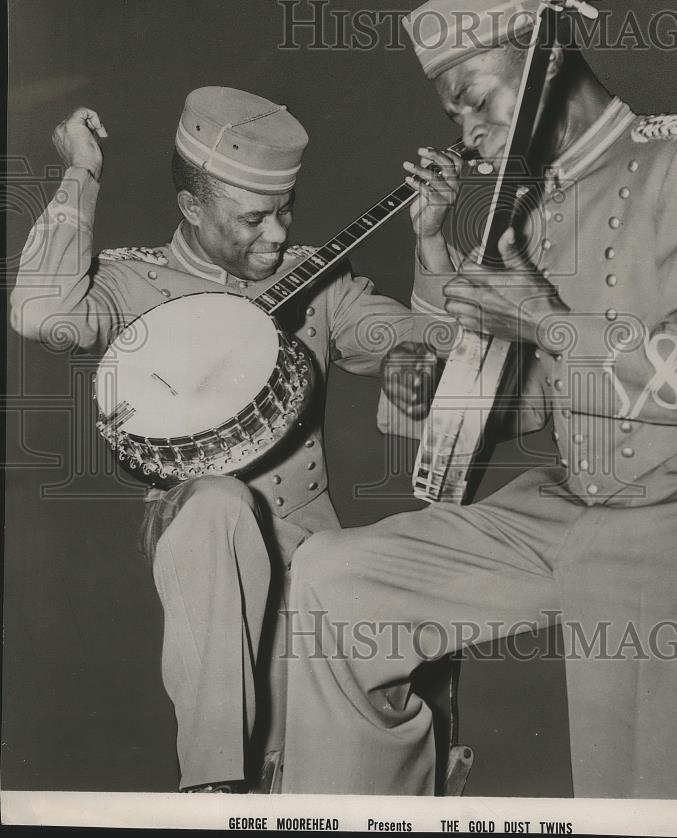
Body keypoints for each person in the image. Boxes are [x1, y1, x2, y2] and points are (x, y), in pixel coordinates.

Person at [280, 0, 677, 798]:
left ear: (543, 57)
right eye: (453, 110)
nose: (464, 129)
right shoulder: (530, 210)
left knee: (645, 798)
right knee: (336, 581)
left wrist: (540, 318)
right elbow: (540, 397)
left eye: (473, 96)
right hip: (568, 505)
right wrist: (431, 380)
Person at [9, 86, 416, 793]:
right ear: (193, 207)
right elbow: (42, 314)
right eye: (253, 217)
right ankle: (209, 795)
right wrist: (81, 172)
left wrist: (429, 273)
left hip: (317, 551)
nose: (278, 234)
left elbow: (415, 342)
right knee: (219, 506)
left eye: (285, 210)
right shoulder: (133, 283)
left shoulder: (315, 278)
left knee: (343, 752)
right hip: (200, 529)